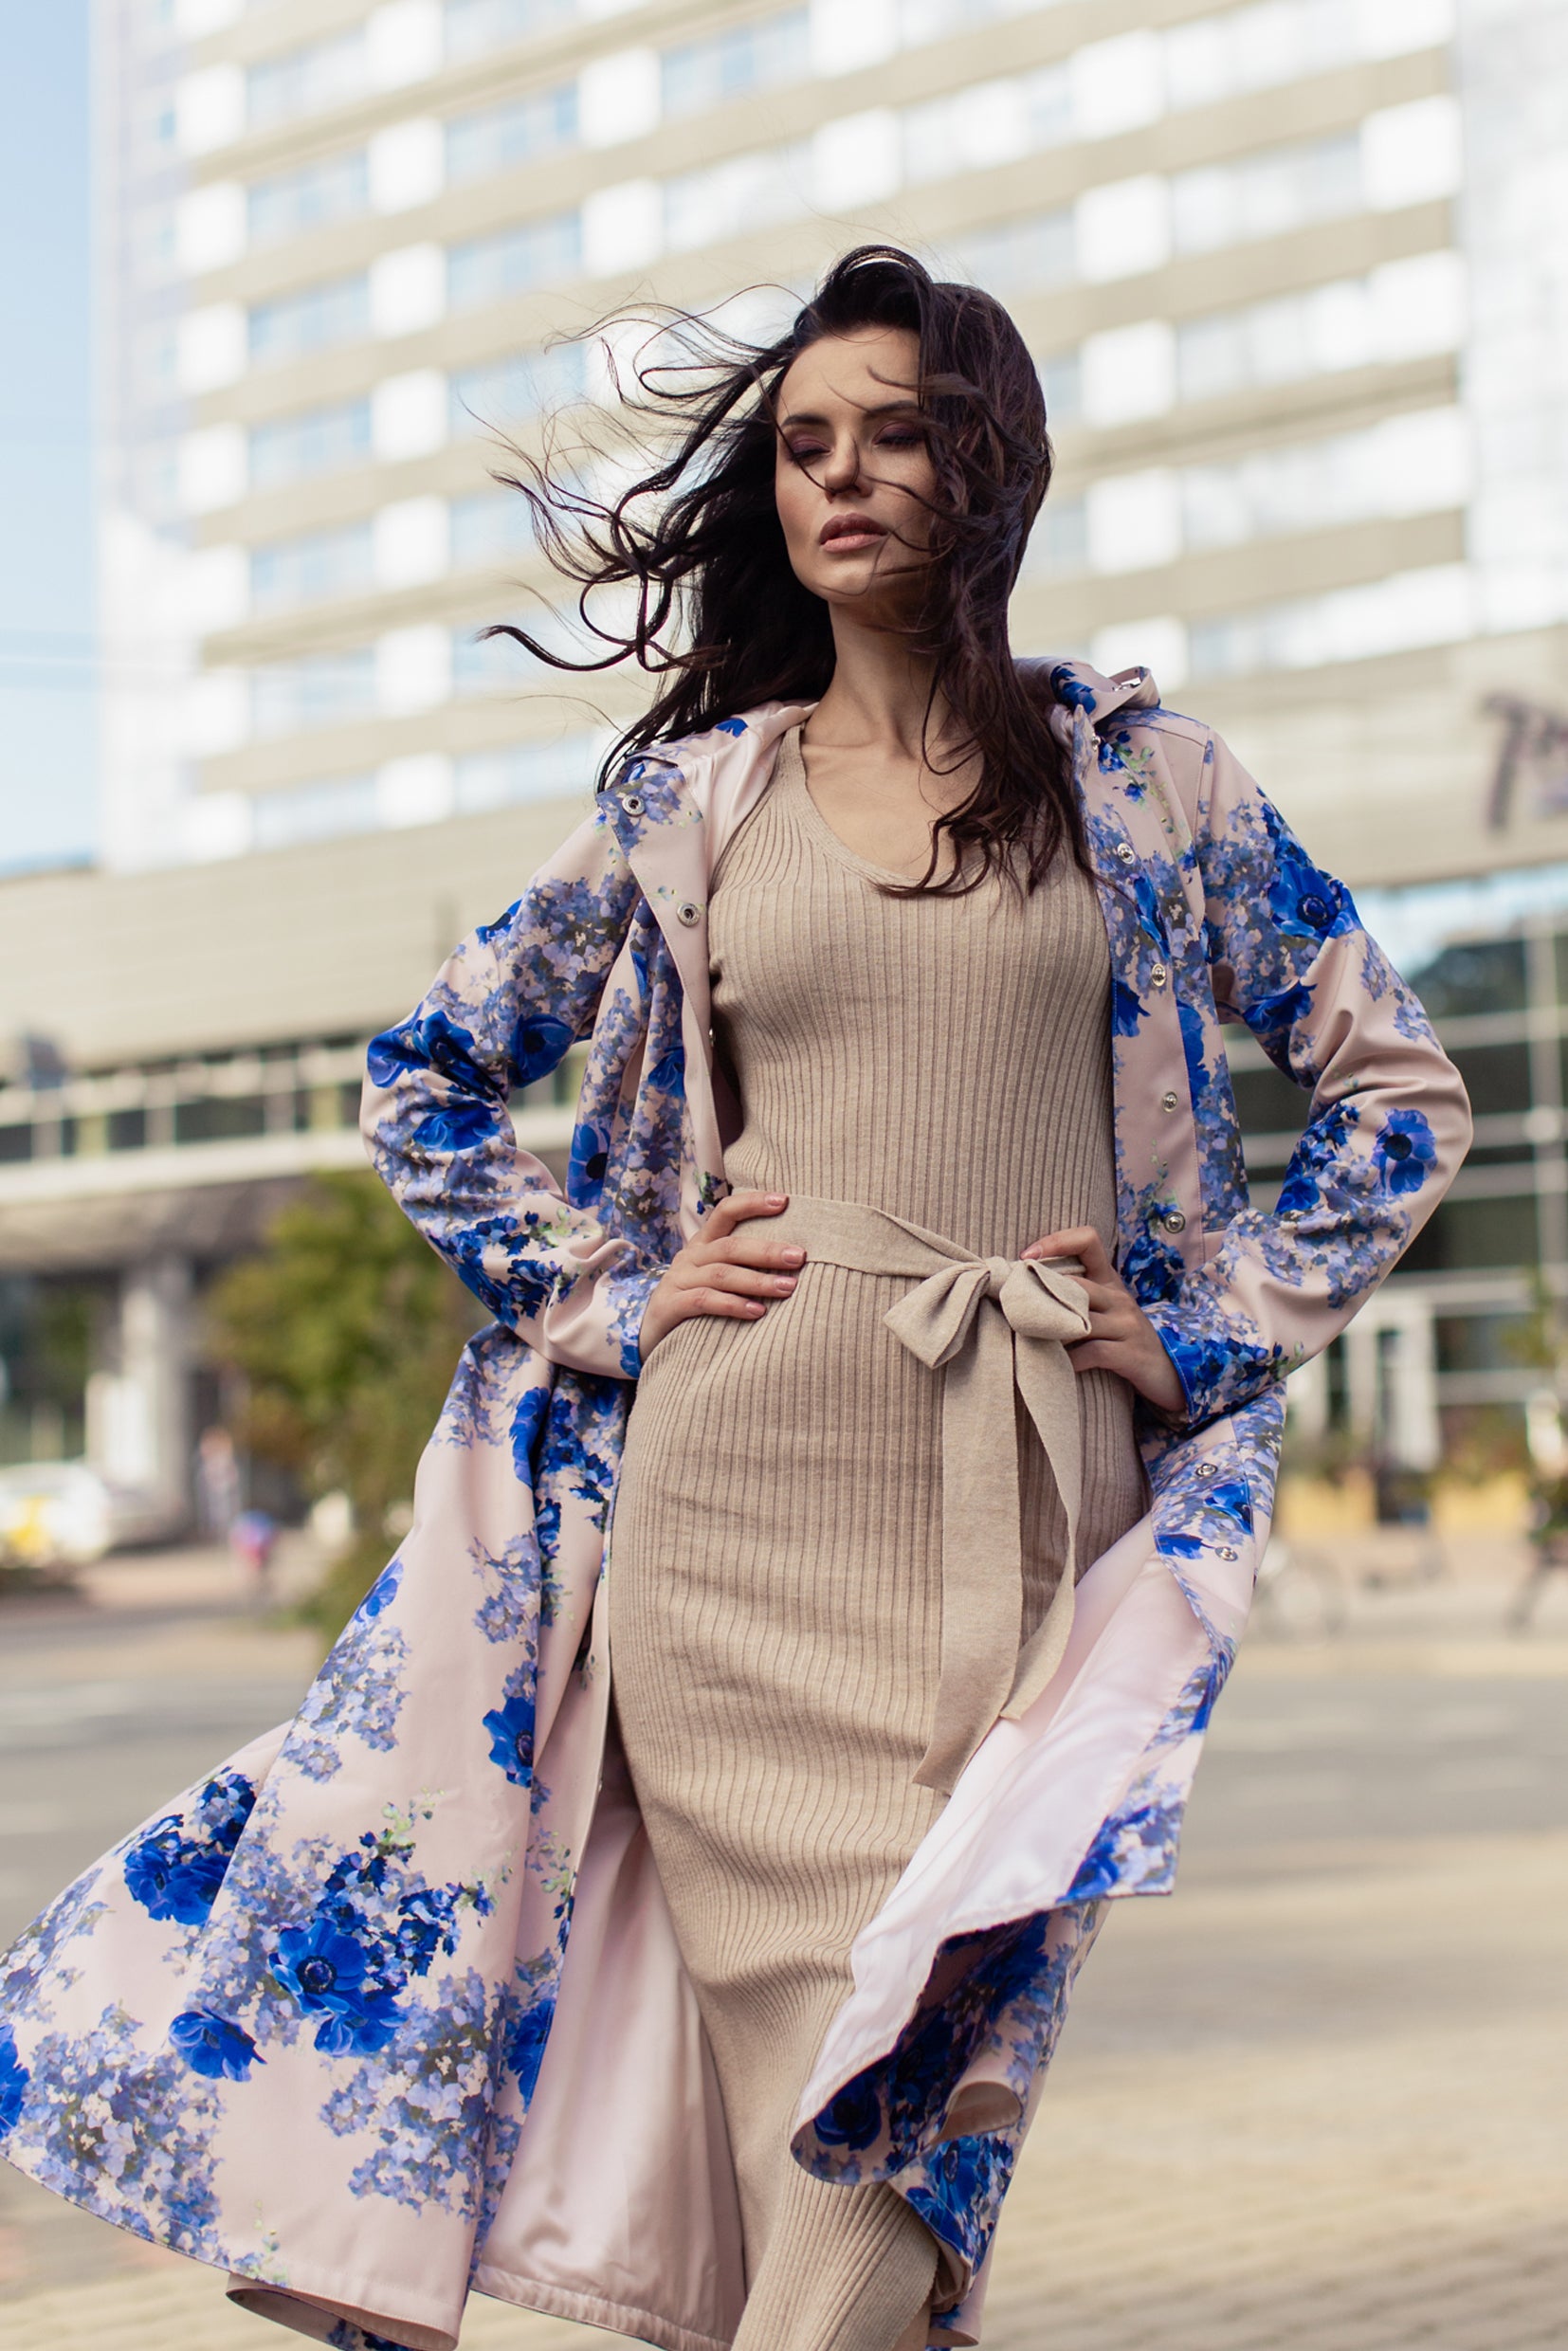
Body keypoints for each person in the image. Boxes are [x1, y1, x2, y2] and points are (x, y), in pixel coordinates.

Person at [0, 248, 1470, 2351]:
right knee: (834, 2144)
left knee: (902, 2108)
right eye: (801, 443)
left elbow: (1395, 1092)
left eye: (892, 433)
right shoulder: (692, 803)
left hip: (1021, 1513)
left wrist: (1206, 1329)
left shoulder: (1154, 782)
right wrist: (608, 1295)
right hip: (722, 1523)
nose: (837, 476)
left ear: (989, 461)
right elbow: (424, 1077)